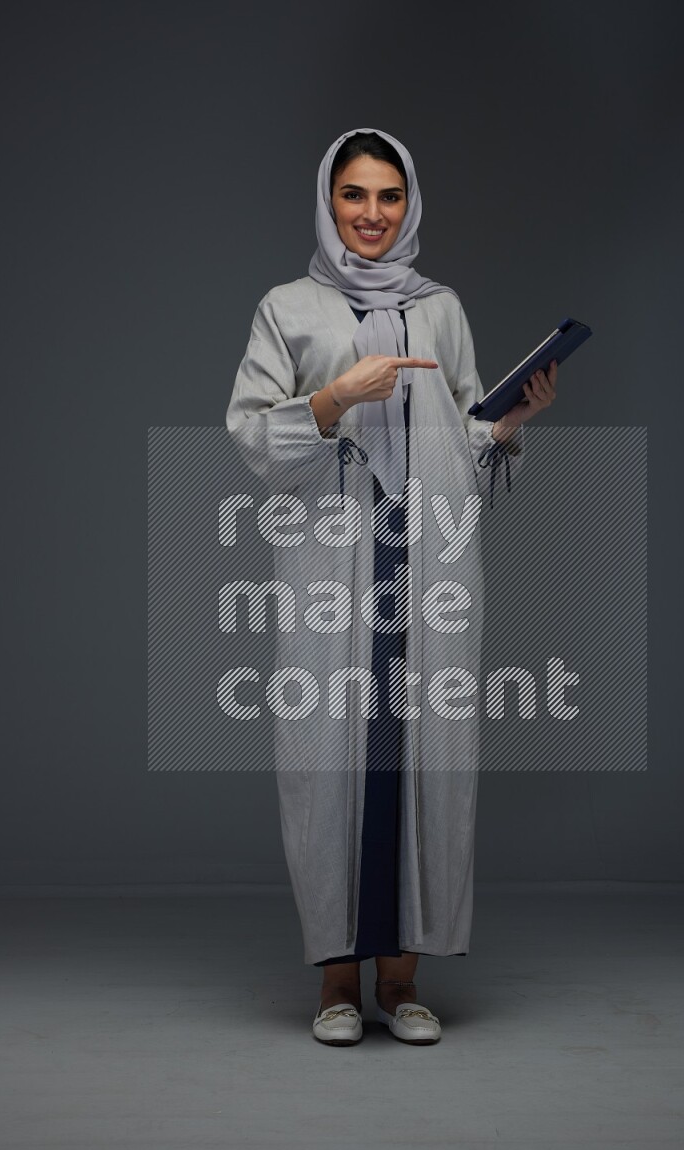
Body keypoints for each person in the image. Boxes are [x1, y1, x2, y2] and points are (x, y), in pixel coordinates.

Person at [226, 127, 556, 1046]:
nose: (372, 215)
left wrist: (510, 419)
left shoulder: (441, 309)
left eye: (388, 197)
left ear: (410, 204)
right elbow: (252, 436)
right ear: (327, 203)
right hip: (333, 561)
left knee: (423, 754)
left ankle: (404, 979)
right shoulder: (287, 308)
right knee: (328, 756)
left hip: (425, 563)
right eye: (353, 196)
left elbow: (464, 433)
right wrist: (338, 397)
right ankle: (337, 981)